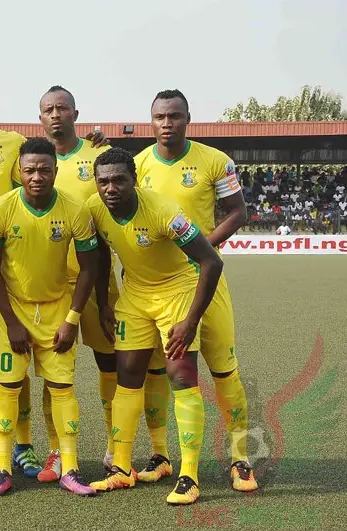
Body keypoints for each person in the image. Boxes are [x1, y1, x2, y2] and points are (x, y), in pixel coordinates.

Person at [0, 75, 109, 479]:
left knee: (20, 353)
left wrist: (95, 141)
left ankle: (23, 445)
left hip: (10, 267)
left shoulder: (13, 143)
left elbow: (47, 157)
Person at [135, 89, 257, 492]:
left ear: (188, 119)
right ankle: (160, 455)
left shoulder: (215, 161)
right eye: (159, 117)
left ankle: (240, 458)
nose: (166, 123)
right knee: (159, 372)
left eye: (174, 116)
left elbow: (238, 212)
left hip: (205, 279)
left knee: (224, 371)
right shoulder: (138, 165)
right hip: (157, 288)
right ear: (151, 121)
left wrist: (202, 247)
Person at [87, 147, 223, 505]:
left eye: (119, 180)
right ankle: (121, 467)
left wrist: (190, 321)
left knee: (180, 376)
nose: (110, 188)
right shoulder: (94, 209)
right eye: (103, 181)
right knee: (128, 376)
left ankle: (189, 475)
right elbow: (100, 255)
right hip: (134, 295)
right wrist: (104, 302)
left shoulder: (164, 211)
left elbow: (211, 262)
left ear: (134, 180)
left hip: (176, 291)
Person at [0, 137, 100, 496]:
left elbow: (89, 269)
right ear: (19, 171)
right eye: (29, 170)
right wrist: (11, 322)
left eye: (44, 170)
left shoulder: (75, 210)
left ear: (55, 171)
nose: (37, 177)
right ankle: (2, 468)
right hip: (12, 309)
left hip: (57, 309)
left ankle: (71, 468)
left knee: (62, 388)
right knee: (8, 387)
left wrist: (72, 319)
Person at [38, 85, 120, 480]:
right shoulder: (32, 160)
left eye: (62, 108)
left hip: (97, 278)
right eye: (48, 109)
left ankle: (115, 445)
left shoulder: (98, 154)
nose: (56, 114)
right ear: (40, 118)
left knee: (110, 361)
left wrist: (105, 297)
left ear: (76, 113)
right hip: (52, 285)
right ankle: (56, 450)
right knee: (53, 369)